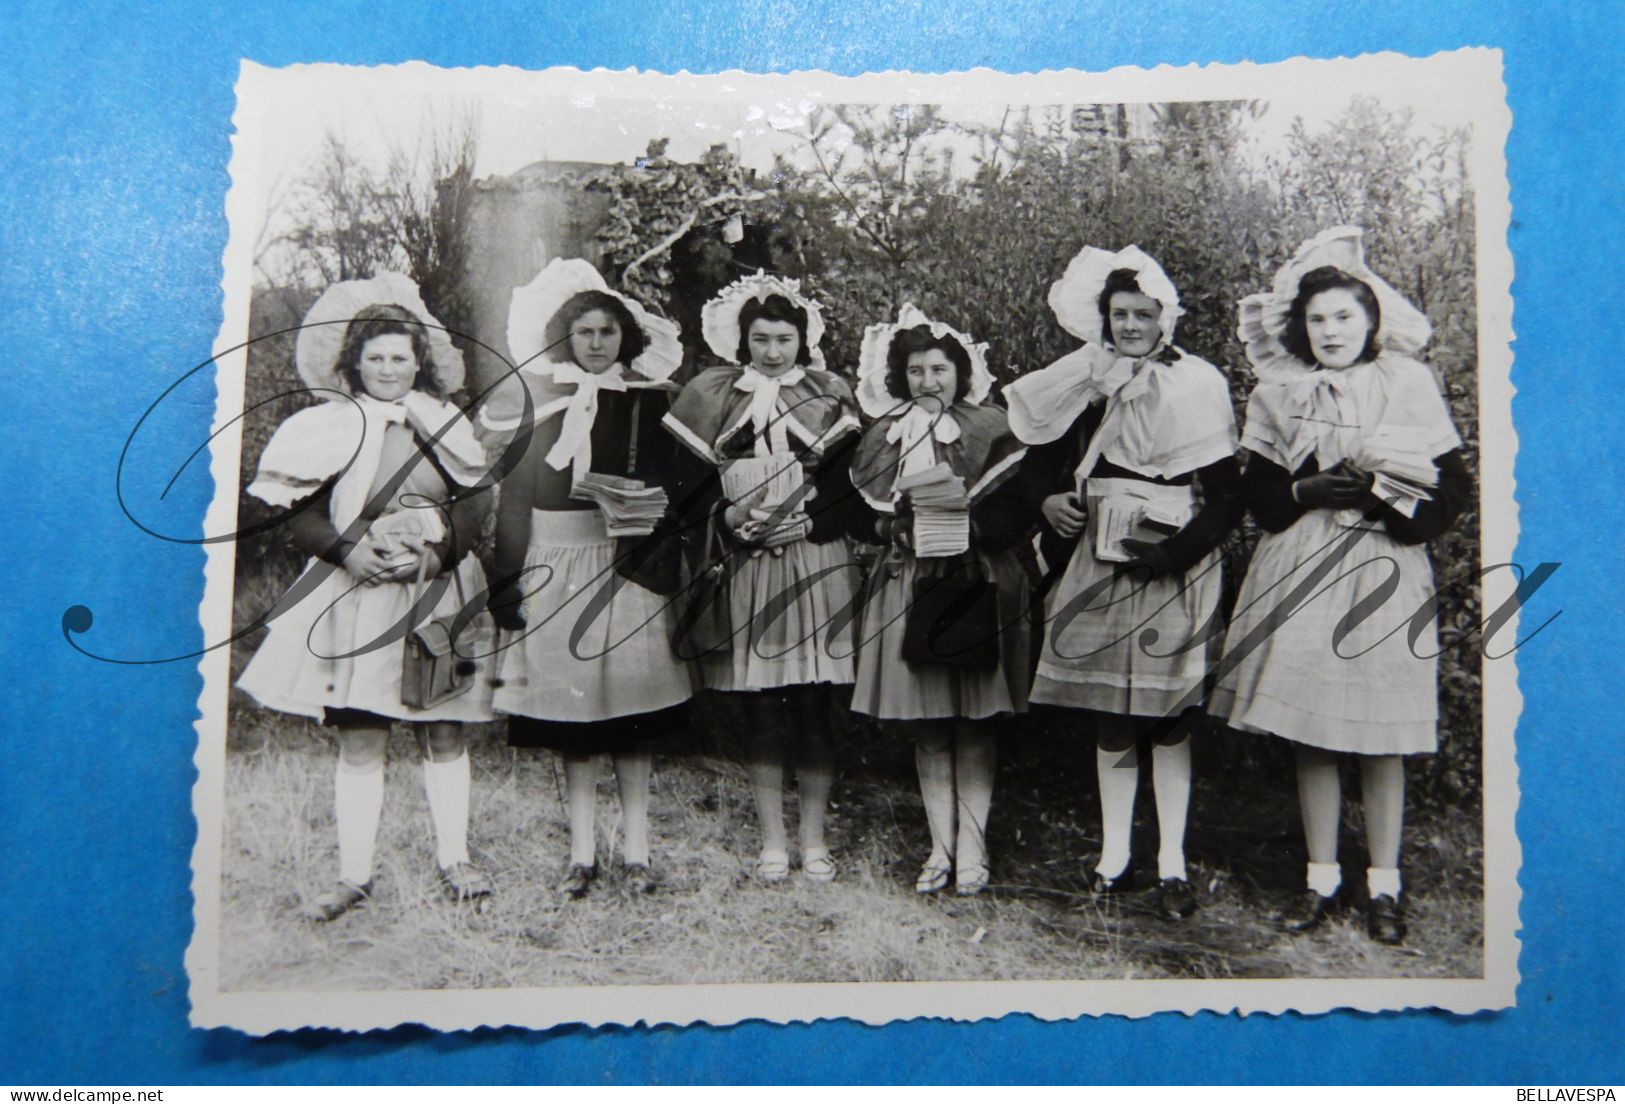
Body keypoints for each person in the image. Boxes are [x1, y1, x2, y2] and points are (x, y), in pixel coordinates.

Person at [1211, 227, 1470, 944]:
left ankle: (1384, 886)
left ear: (1369, 321)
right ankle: (1319, 878)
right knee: (1313, 733)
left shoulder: (1405, 383)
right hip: (1300, 565)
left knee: (1381, 736)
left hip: (1383, 568)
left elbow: (1453, 490)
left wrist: (1388, 499)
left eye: (1343, 317)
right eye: (1317, 319)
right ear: (1301, 327)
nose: (1330, 331)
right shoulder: (1278, 390)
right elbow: (1260, 498)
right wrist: (1308, 488)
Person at [238, 273, 495, 921]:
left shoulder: (444, 423)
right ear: (353, 364)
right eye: (374, 358)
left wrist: (439, 551)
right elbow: (298, 514)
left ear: (420, 362)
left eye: (399, 358)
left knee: (443, 728)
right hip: (357, 594)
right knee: (361, 734)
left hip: (437, 592)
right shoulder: (326, 426)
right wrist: (348, 550)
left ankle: (454, 858)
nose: (387, 369)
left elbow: (475, 503)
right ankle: (354, 875)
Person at [1007, 246, 1242, 920]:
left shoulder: (1196, 382)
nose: (1131, 326)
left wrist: (1179, 553)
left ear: (1163, 316)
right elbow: (1035, 462)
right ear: (1101, 318)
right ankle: (1113, 860)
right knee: (1112, 715)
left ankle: (1171, 864)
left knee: (1168, 719)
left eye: (1143, 313)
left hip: (1171, 563)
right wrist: (1047, 502)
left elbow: (1225, 496)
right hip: (1100, 562)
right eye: (1119, 314)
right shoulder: (1084, 377)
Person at [482, 258, 695, 900]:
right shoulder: (538, 404)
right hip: (555, 561)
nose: (595, 343)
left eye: (606, 332)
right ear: (564, 340)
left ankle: (635, 850)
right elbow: (515, 501)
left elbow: (681, 490)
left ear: (625, 339)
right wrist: (508, 579)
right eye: (583, 333)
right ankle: (581, 852)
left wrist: (646, 518)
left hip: (625, 565)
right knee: (571, 717)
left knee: (629, 712)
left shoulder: (654, 405)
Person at [662, 271, 865, 883]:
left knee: (813, 704)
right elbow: (684, 486)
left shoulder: (830, 392)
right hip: (746, 558)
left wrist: (809, 523)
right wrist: (726, 519)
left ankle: (815, 839)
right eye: (760, 339)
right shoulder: (713, 392)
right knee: (762, 707)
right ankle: (772, 840)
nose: (773, 352)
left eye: (784, 339)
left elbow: (853, 486)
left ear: (803, 340)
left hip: (815, 558)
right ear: (742, 340)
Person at [848, 306, 1035, 896]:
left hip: (975, 577)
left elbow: (1018, 507)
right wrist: (891, 532)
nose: (929, 382)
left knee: (975, 722)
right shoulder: (882, 434)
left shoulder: (989, 426)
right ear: (900, 377)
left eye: (939, 370)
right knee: (929, 723)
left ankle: (974, 850)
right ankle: (940, 847)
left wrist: (971, 531)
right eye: (916, 371)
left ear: (961, 372)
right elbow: (859, 511)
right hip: (909, 581)